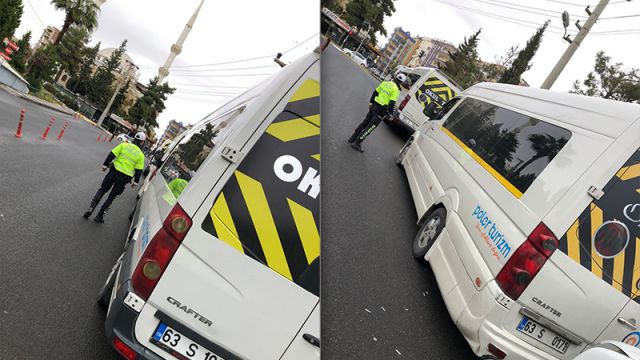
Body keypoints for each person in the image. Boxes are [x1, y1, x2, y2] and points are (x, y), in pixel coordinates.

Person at [84, 131, 147, 223]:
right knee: (111, 197)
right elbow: (139, 171)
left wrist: (105, 165)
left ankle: (91, 208)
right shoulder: (141, 155)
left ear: (134, 139)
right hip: (124, 178)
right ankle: (99, 216)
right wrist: (136, 182)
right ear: (142, 142)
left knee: (102, 190)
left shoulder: (124, 145)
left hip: (113, 172)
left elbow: (111, 155)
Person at [348, 73, 406, 152]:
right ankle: (357, 143)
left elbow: (375, 93)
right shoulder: (396, 89)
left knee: (365, 122)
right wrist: (391, 114)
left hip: (374, 105)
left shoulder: (385, 83)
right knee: (370, 127)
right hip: (381, 110)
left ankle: (352, 138)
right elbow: (392, 103)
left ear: (395, 77)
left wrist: (371, 103)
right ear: (402, 82)